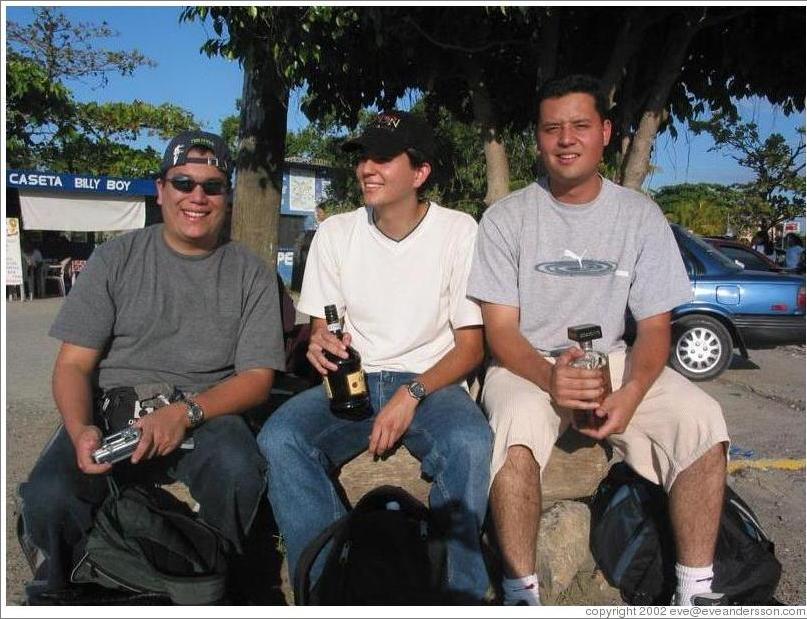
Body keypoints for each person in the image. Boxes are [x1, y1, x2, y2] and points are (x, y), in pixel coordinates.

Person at [467, 75, 730, 606]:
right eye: (552, 128)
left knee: (702, 419)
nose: (566, 139)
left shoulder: (640, 216)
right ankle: (522, 593)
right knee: (513, 433)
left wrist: (631, 391)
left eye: (580, 125)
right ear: (538, 139)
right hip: (530, 363)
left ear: (606, 133)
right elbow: (500, 331)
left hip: (613, 357)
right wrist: (550, 378)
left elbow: (656, 327)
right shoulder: (505, 218)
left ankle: (696, 590)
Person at [18, 130, 286, 602]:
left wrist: (184, 414)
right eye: (183, 183)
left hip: (203, 411)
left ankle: (215, 585)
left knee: (240, 470)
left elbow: (257, 379)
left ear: (228, 195)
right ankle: (61, 588)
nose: (197, 197)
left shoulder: (251, 273)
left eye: (212, 185)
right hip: (110, 410)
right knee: (48, 496)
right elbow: (74, 365)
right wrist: (81, 428)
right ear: (161, 189)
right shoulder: (114, 259)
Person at [257, 110, 493, 603]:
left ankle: (460, 595)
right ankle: (328, 585)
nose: (367, 168)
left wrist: (412, 392)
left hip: (431, 381)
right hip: (355, 382)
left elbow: (471, 347)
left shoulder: (457, 231)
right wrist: (320, 342)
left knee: (470, 442)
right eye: (363, 156)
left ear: (420, 171)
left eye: (383, 158)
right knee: (280, 438)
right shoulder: (337, 233)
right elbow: (323, 326)